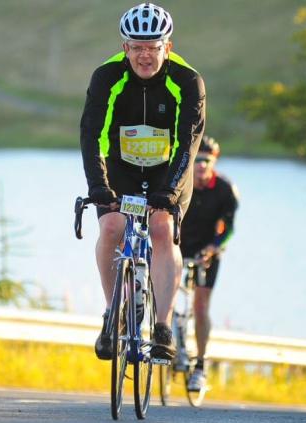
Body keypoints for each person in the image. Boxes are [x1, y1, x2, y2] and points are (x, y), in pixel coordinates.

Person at [80, 3, 206, 361]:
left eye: (152, 47)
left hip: (170, 169)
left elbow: (189, 142)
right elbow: (91, 137)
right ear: (125, 48)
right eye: (137, 47)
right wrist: (98, 187)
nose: (144, 56)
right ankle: (112, 314)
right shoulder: (106, 77)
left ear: (168, 46)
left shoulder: (187, 81)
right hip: (122, 169)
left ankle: (163, 328)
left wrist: (168, 191)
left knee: (162, 228)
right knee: (111, 228)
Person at [178, 135, 239, 391]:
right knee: (165, 295)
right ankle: (171, 341)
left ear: (214, 161)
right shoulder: (181, 183)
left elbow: (229, 229)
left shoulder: (225, 190)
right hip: (178, 246)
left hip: (207, 251)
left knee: (201, 306)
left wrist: (214, 247)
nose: (201, 166)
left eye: (206, 161)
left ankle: (200, 366)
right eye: (196, 160)